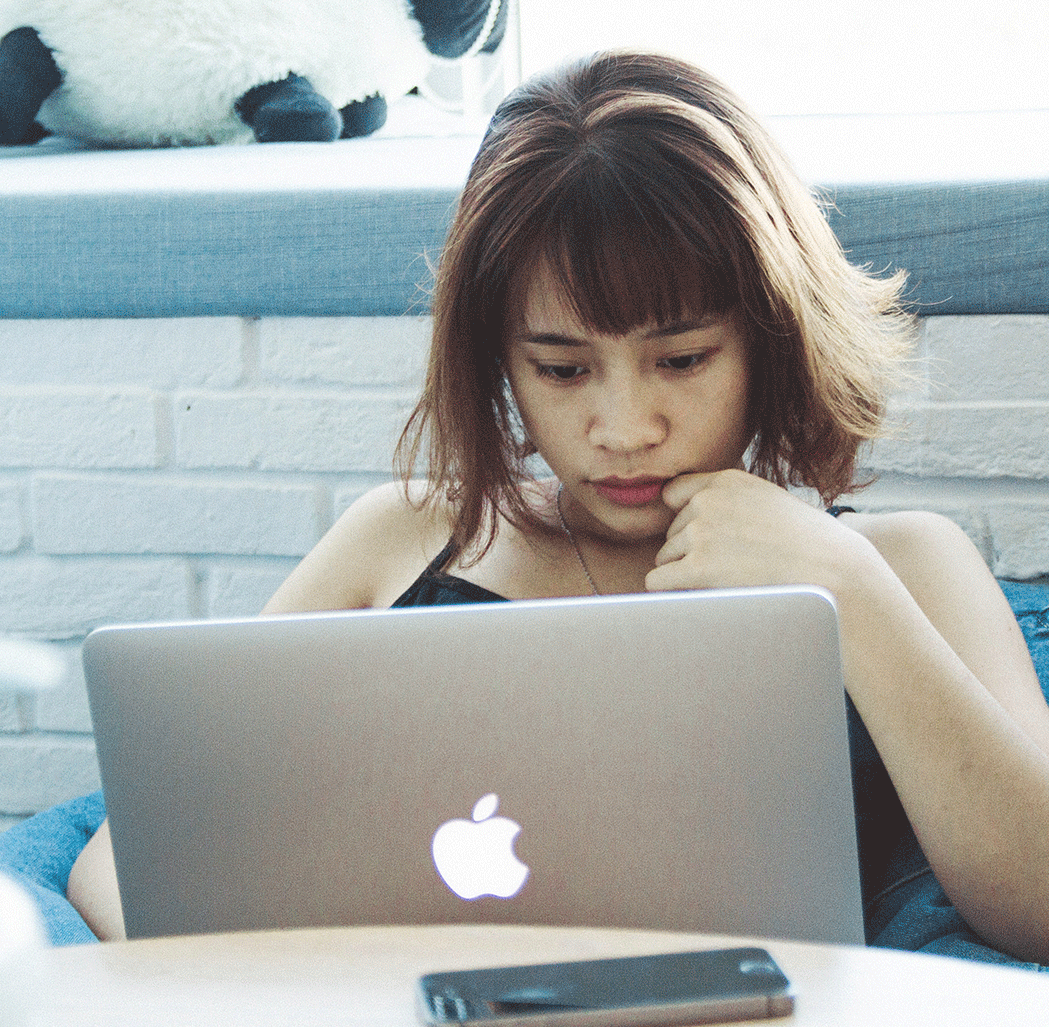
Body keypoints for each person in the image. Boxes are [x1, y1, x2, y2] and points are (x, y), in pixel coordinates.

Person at [68, 51, 1049, 966]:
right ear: (499, 361)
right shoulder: (404, 543)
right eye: (563, 369)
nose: (624, 429)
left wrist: (849, 590)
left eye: (682, 360)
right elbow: (122, 869)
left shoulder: (905, 565)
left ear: (772, 338)